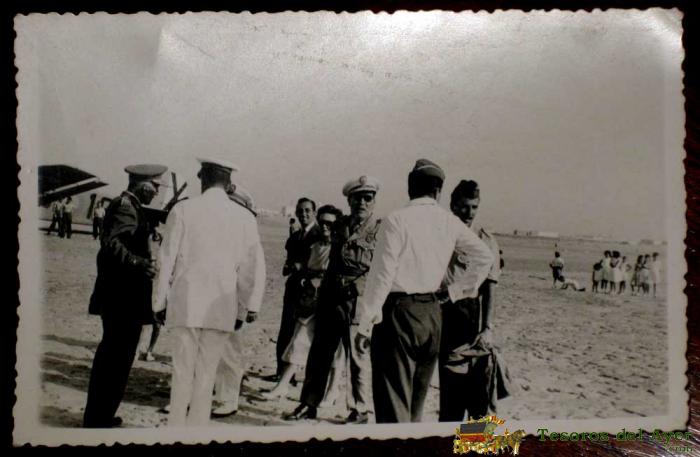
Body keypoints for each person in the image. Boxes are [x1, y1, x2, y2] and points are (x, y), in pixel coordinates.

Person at [354, 160, 494, 423]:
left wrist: (365, 325)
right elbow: (485, 257)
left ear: (410, 186)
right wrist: (456, 291)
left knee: (393, 402)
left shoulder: (396, 220)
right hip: (432, 314)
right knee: (415, 404)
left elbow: (382, 275)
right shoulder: (449, 222)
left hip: (399, 313)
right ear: (438, 191)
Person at [152, 158, 265, 426]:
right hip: (221, 307)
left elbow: (165, 260)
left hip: (186, 304)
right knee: (207, 375)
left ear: (202, 177)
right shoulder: (244, 218)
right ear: (229, 182)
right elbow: (251, 267)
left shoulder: (183, 209)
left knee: (182, 372)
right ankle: (196, 431)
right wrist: (249, 306)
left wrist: (158, 302)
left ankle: (176, 430)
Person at [284, 175, 382, 424]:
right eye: (357, 198)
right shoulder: (340, 225)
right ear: (349, 201)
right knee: (319, 353)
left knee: (358, 356)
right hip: (331, 296)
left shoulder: (380, 230)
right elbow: (319, 250)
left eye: (367, 198)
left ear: (374, 201)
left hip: (357, 300)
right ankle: (309, 403)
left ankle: (359, 409)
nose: (362, 203)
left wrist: (358, 287)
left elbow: (381, 268)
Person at [83, 163, 167, 428]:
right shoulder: (126, 207)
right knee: (114, 359)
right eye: (154, 186)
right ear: (142, 184)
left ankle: (102, 415)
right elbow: (111, 244)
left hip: (122, 297)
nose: (156, 192)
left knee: (116, 357)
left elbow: (124, 238)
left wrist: (147, 232)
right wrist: (138, 263)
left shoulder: (130, 206)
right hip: (122, 298)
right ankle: (98, 418)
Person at [437, 179, 509, 422]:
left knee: (480, 397)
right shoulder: (440, 234)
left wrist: (487, 328)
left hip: (470, 316)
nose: (469, 212)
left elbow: (490, 287)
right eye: (464, 206)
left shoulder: (485, 240)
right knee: (451, 396)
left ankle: (475, 442)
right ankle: (450, 439)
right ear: (453, 205)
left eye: (474, 207)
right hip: (442, 315)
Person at [261, 205, 343, 400]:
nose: (325, 226)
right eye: (322, 222)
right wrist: (306, 278)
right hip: (311, 301)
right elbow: (306, 268)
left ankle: (333, 391)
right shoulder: (316, 246)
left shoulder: (341, 248)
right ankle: (283, 385)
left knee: (336, 349)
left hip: (333, 303)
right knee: (299, 340)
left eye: (329, 223)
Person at [210, 183, 263, 418]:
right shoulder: (214, 230)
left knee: (230, 353)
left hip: (232, 300)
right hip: (208, 299)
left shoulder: (248, 234)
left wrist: (249, 306)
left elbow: (255, 272)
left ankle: (228, 399)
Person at [273, 198, 322, 381]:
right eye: (300, 211)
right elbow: (289, 261)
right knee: (286, 328)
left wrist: (301, 267)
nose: (304, 214)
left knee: (302, 332)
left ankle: (293, 375)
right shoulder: (295, 236)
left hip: (310, 291)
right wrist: (289, 266)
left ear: (314, 212)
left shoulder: (320, 234)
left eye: (307, 210)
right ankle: (281, 372)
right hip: (293, 288)